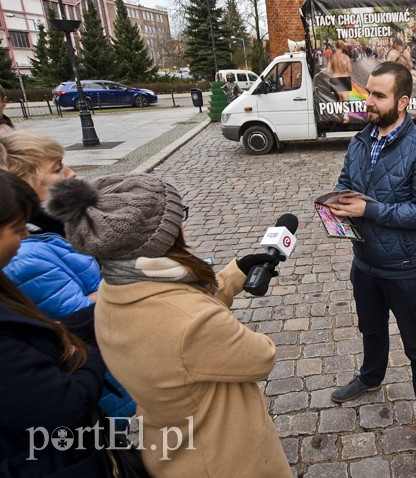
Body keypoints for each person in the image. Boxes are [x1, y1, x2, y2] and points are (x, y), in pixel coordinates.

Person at [46, 173, 293, 477]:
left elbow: (176, 306)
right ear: (163, 235)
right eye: (180, 216)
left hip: (174, 450)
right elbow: (261, 356)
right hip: (221, 459)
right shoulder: (188, 320)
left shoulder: (115, 290)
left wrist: (234, 275)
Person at [327, 61, 416, 470]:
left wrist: (370, 208)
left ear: (403, 101)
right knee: (371, 327)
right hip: (365, 261)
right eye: (367, 93)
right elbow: (346, 181)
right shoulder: (360, 140)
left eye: (379, 95)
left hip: (407, 267)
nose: (369, 101)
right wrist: (338, 203)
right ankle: (371, 375)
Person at [0, 130, 136, 423]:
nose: (71, 172)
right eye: (58, 168)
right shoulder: (25, 255)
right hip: (103, 381)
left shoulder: (56, 226)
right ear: (25, 183)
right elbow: (86, 319)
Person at [0, 171, 109, 476]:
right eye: (16, 228)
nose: (24, 236)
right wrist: (90, 348)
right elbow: (64, 404)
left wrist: (95, 315)